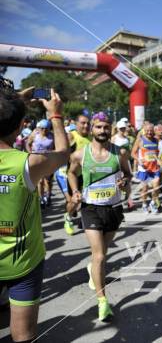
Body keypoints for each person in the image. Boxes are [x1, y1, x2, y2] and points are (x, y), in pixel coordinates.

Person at [0, 88, 69, 342]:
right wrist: (56, 115)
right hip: (24, 264)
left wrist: (13, 99)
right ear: (21, 127)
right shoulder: (29, 163)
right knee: (23, 337)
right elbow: (63, 154)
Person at [68, 111, 131, 322]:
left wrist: (124, 181)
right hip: (91, 208)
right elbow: (70, 172)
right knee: (100, 256)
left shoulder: (119, 152)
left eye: (105, 127)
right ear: (92, 129)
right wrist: (75, 190)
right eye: (98, 127)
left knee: (102, 254)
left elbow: (127, 173)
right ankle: (102, 301)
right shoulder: (80, 154)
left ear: (110, 128)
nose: (102, 131)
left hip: (113, 208)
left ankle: (92, 268)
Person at [59, 114, 91, 235]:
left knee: (88, 200)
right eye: (83, 123)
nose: (86, 125)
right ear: (76, 124)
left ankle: (84, 218)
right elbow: (62, 151)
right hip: (74, 174)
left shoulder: (92, 137)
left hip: (88, 175)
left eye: (88, 123)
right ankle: (68, 217)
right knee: (74, 201)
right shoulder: (72, 135)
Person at [131, 123, 161, 214]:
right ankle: (144, 205)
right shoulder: (140, 140)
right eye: (147, 131)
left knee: (156, 187)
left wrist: (158, 161)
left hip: (154, 168)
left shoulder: (156, 140)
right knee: (145, 188)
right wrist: (139, 160)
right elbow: (133, 153)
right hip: (144, 168)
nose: (149, 132)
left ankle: (153, 203)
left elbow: (156, 153)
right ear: (144, 130)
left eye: (151, 131)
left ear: (154, 131)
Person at [26, 119, 55, 208]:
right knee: (40, 181)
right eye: (42, 128)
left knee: (48, 181)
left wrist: (52, 153)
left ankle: (48, 195)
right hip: (37, 161)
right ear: (39, 128)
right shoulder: (35, 134)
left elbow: (56, 147)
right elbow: (28, 144)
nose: (44, 130)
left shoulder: (52, 136)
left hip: (47, 161)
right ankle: (41, 199)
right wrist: (30, 153)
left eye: (46, 128)